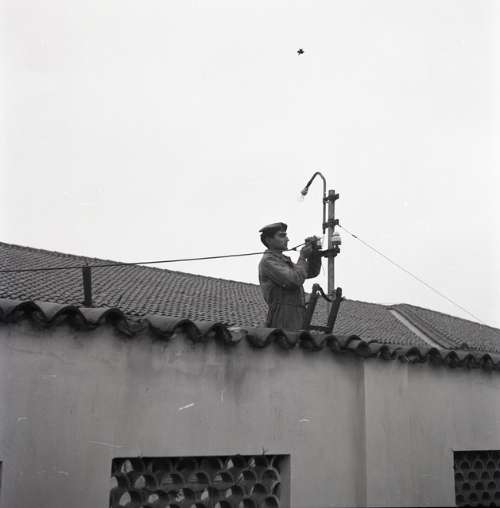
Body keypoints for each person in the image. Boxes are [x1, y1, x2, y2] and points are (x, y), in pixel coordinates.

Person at [258, 222, 321, 330]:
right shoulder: (268, 261)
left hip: (297, 314)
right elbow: (294, 280)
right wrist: (302, 257)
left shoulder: (283, 260)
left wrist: (314, 252)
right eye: (282, 236)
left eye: (286, 235)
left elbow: (311, 271)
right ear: (269, 240)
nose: (287, 239)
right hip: (283, 316)